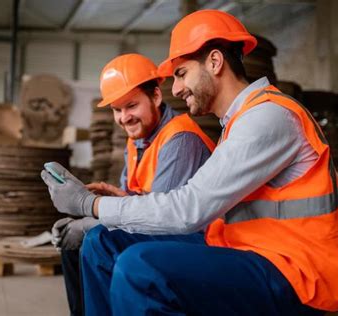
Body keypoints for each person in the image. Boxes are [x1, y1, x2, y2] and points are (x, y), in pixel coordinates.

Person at [41, 10, 338, 315]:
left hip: (301, 275)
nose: (176, 89)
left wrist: (90, 205)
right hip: (251, 252)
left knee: (140, 268)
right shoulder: (238, 122)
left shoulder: (268, 118)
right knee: (103, 243)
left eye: (181, 74)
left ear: (215, 62)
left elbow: (188, 210)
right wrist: (107, 210)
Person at [49, 53, 215, 316]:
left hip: (198, 237)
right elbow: (141, 197)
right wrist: (106, 203)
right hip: (163, 225)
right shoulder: (138, 139)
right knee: (75, 245)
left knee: (98, 239)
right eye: (117, 110)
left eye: (131, 106)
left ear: (156, 97)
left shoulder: (180, 139)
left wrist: (92, 219)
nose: (124, 117)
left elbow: (164, 218)